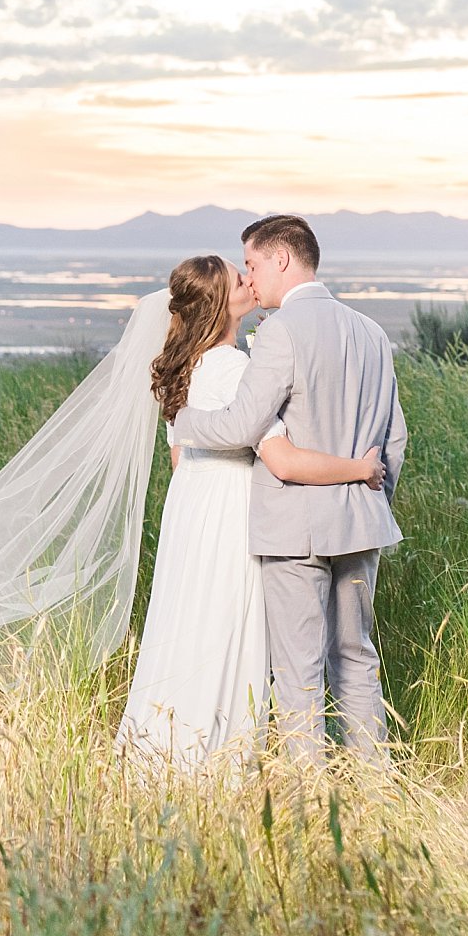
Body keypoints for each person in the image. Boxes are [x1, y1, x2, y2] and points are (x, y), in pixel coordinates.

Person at [113, 254, 383, 774]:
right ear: (221, 301)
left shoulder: (184, 367)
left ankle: (167, 748)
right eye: (240, 279)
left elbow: (178, 459)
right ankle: (218, 762)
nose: (250, 280)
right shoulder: (234, 368)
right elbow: (280, 459)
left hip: (191, 513)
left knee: (190, 624)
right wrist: (357, 468)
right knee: (231, 630)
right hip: (233, 513)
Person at [172, 215, 407, 767]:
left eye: (252, 264)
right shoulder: (371, 331)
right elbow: (394, 437)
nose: (250, 279)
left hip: (293, 532)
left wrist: (182, 422)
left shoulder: (280, 331)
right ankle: (372, 789)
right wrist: (371, 499)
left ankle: (308, 800)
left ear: (281, 260)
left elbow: (240, 426)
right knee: (356, 658)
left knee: (298, 673)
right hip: (361, 524)